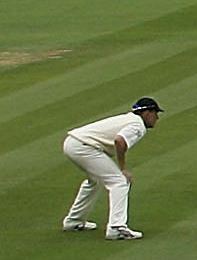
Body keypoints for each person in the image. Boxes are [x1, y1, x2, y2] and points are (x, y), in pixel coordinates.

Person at [60, 96, 160, 240]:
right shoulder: (137, 124)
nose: (156, 118)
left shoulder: (129, 119)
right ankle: (116, 228)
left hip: (73, 143)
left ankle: (74, 221)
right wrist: (123, 168)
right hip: (84, 147)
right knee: (119, 181)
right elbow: (119, 141)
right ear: (146, 113)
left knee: (95, 181)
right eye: (155, 113)